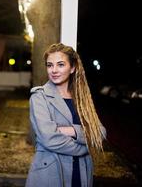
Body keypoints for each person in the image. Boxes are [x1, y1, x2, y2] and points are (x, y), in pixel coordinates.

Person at [25, 43, 107, 187]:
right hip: (51, 172)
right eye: (50, 65)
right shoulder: (39, 97)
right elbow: (49, 138)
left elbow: (100, 133)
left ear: (73, 68)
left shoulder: (82, 98)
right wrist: (85, 147)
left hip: (81, 172)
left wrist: (72, 131)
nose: (54, 70)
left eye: (60, 65)